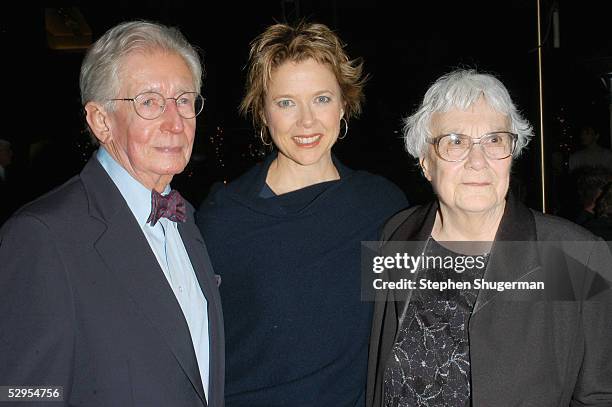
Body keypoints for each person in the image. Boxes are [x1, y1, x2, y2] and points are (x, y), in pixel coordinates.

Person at [0, 21, 224, 407]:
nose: (175, 123)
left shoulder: (186, 219)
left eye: (184, 100)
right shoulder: (42, 236)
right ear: (100, 121)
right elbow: (24, 395)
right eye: (150, 102)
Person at [367, 69, 612, 406]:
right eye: (455, 141)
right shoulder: (396, 235)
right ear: (425, 161)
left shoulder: (573, 256)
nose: (478, 161)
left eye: (495, 139)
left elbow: (600, 394)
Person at [197, 21, 408, 407]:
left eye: (322, 99)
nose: (307, 121)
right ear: (263, 112)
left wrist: (556, 259)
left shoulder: (382, 207)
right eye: (286, 103)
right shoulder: (221, 219)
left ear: (344, 103)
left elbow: (448, 301)